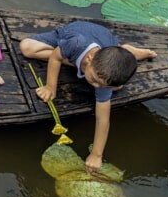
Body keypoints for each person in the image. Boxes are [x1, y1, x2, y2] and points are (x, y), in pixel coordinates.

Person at [20, 21, 157, 172]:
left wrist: (97, 154)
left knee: (118, 86)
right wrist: (50, 87)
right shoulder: (76, 43)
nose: (96, 86)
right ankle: (115, 52)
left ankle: (129, 52)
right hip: (75, 32)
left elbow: (102, 119)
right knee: (26, 47)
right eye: (94, 80)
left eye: (101, 85)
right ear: (90, 58)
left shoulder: (104, 79)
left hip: (106, 43)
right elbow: (55, 57)